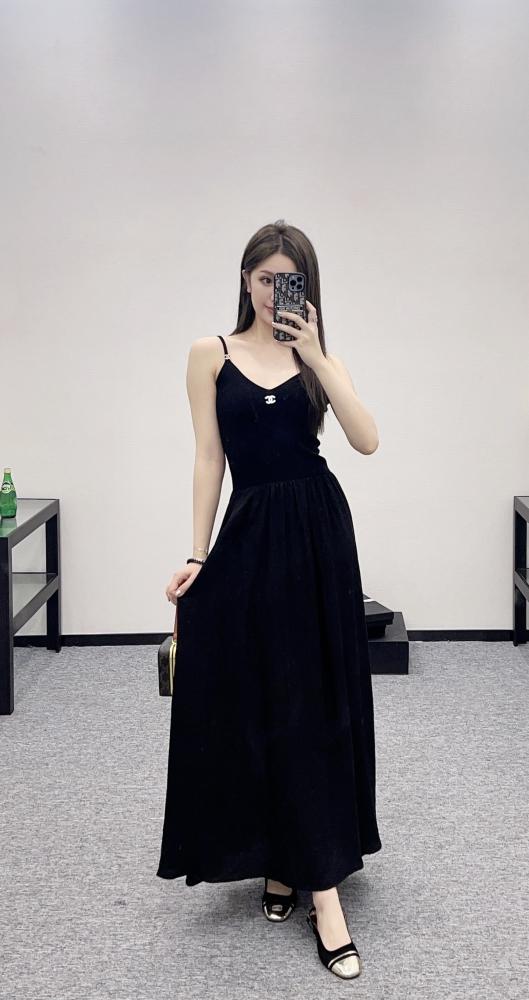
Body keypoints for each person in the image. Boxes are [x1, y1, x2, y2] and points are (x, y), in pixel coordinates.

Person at [157, 219, 382, 980]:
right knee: (260, 697)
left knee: (311, 702)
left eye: (288, 279)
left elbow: (366, 440)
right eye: (262, 277)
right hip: (252, 536)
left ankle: (322, 893)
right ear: (245, 278)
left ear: (305, 288)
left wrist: (314, 354)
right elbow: (208, 458)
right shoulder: (210, 354)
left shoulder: (319, 358)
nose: (272, 291)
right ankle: (280, 858)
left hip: (318, 535)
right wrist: (198, 554)